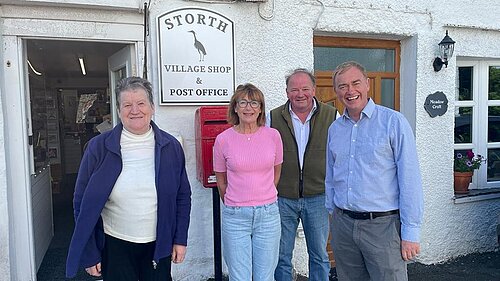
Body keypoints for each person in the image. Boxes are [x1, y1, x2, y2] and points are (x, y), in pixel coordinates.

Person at [65, 77, 192, 280]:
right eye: (127, 105)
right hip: (115, 243)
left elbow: (182, 197)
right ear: (118, 111)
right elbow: (81, 202)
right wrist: (90, 253)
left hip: (158, 243)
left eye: (141, 103)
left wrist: (180, 239)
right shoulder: (98, 147)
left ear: (152, 107)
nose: (135, 110)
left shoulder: (170, 147)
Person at [325, 61, 424, 280]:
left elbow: (410, 180)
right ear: (336, 91)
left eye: (355, 83)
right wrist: (333, 213)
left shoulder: (394, 122)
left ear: (367, 84)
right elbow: (331, 175)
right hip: (344, 226)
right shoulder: (335, 129)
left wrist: (410, 232)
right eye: (342, 86)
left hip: (383, 228)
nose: (350, 91)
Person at [269, 68, 337, 281]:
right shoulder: (272, 117)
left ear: (314, 89)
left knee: (319, 255)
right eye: (294, 89)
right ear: (287, 92)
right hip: (283, 197)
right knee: (281, 256)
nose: (300, 94)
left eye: (305, 88)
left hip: (317, 196)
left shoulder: (331, 115)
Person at [213, 83, 283, 281]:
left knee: (265, 276)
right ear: (235, 107)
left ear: (260, 108)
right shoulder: (223, 140)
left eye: (254, 103)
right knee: (239, 277)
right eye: (242, 102)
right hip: (235, 216)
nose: (248, 107)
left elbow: (276, 172)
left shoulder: (273, 136)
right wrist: (235, 201)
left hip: (268, 215)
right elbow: (221, 180)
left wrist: (264, 194)